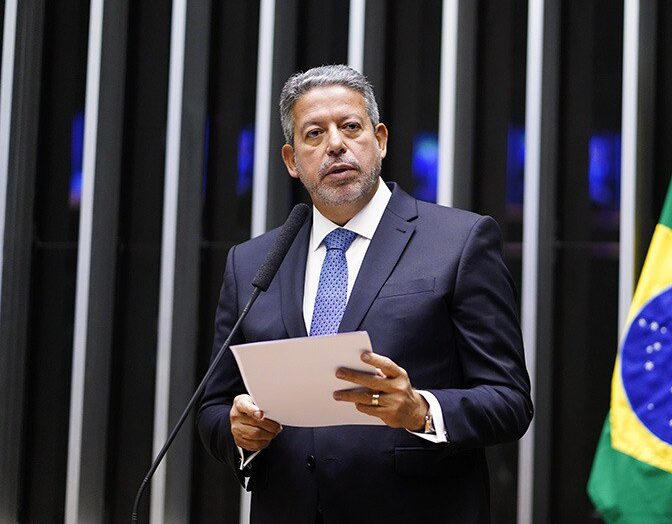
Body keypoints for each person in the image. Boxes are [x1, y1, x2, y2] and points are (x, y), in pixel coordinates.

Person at [197, 64, 533, 523]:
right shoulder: (252, 263)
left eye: (350, 127)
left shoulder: (459, 242)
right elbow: (213, 407)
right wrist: (238, 431)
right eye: (314, 133)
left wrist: (420, 410)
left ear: (380, 140)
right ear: (293, 161)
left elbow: (509, 401)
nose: (335, 144)